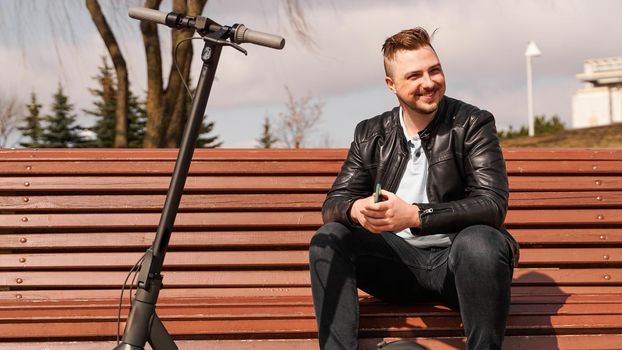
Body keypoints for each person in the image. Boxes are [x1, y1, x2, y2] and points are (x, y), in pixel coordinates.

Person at [309, 27, 520, 350]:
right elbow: (334, 204)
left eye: (434, 70)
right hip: (398, 269)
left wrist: (415, 215)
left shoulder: (473, 124)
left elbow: (492, 205)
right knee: (328, 238)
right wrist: (357, 209)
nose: (429, 82)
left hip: (460, 267)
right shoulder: (371, 133)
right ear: (391, 85)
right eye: (415, 76)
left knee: (480, 241)